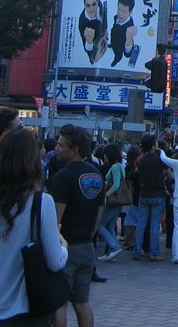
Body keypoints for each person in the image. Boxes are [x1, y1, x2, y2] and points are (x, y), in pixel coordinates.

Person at [0, 128, 68, 326]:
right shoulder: (41, 202)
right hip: (24, 313)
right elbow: (55, 261)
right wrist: (63, 244)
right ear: (32, 163)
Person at [50, 124, 104, 327]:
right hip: (87, 246)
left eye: (61, 145)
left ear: (74, 149)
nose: (57, 148)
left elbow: (56, 219)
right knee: (82, 302)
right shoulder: (96, 174)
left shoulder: (62, 177)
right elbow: (99, 211)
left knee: (58, 303)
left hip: (66, 247)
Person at [133, 133, 167, 262]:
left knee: (141, 223)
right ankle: (153, 253)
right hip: (158, 194)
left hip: (144, 194)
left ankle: (137, 251)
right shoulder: (159, 159)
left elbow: (136, 174)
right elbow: (169, 174)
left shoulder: (141, 160)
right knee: (154, 225)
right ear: (153, 145)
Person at [95, 143, 125, 263]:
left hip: (112, 200)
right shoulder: (120, 166)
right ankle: (111, 251)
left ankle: (114, 247)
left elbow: (116, 185)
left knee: (99, 225)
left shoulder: (114, 167)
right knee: (110, 225)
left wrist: (106, 195)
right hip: (119, 201)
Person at [78, 0, 108, 64]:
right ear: (84, 4)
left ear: (98, 2)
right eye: (88, 5)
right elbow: (87, 48)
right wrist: (89, 40)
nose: (91, 9)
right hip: (94, 46)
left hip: (103, 36)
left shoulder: (101, 6)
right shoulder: (82, 22)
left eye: (94, 4)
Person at [109, 0, 139, 68]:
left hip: (120, 46)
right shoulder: (116, 17)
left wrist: (129, 39)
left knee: (118, 55)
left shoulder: (130, 27)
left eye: (124, 11)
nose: (120, 13)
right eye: (119, 9)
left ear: (130, 12)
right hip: (114, 39)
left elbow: (128, 53)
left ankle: (117, 59)